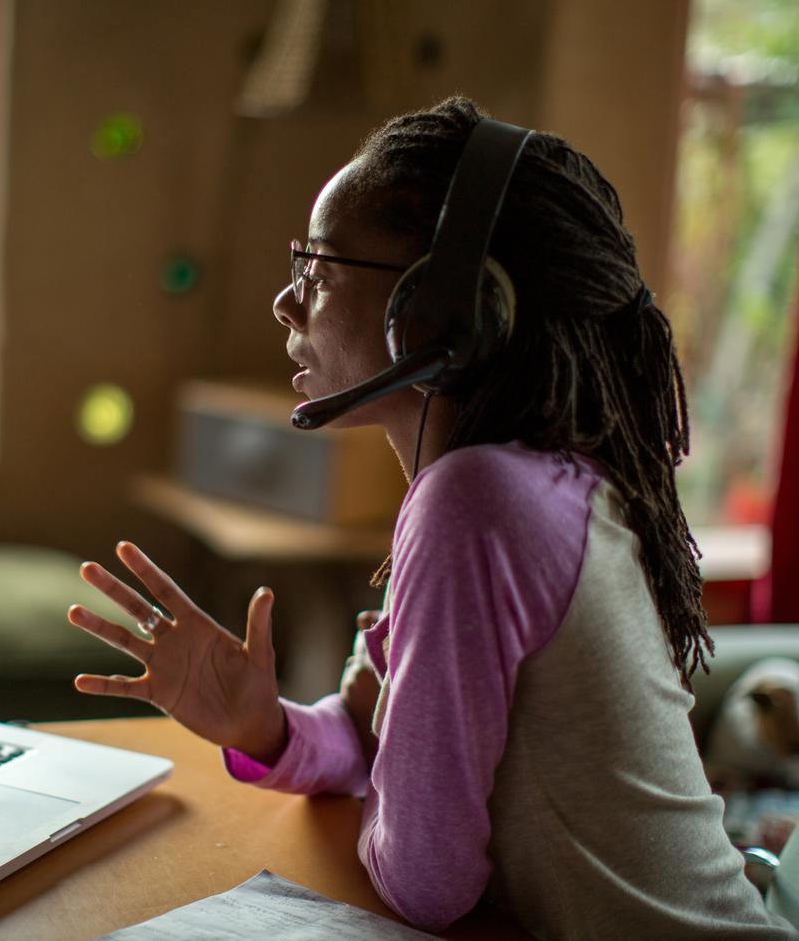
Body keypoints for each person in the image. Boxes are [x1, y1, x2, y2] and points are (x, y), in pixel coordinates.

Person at [67, 98, 793, 938]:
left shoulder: (478, 503)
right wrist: (265, 727)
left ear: (444, 313)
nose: (284, 304)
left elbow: (425, 879)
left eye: (318, 269)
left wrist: (387, 769)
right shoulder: (542, 480)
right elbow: (382, 737)